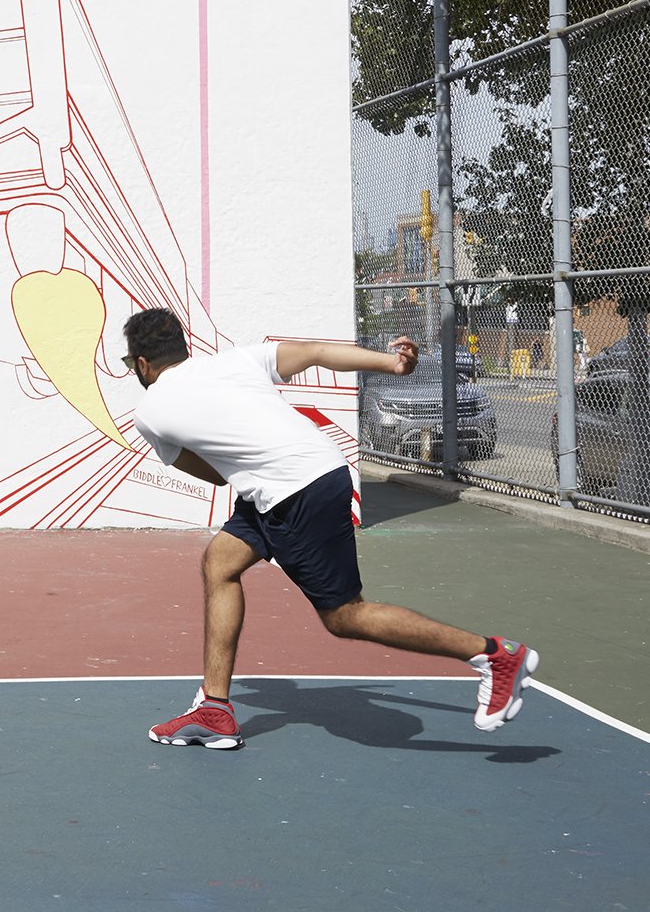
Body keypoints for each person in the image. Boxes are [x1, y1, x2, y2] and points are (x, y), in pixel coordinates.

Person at [122, 307, 537, 750]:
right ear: (182, 349)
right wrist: (392, 362)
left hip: (294, 491)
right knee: (220, 562)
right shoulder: (235, 361)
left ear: (143, 364)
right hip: (306, 473)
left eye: (131, 365)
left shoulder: (149, 413)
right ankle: (215, 710)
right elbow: (316, 352)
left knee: (345, 616)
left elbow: (214, 475)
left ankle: (494, 656)